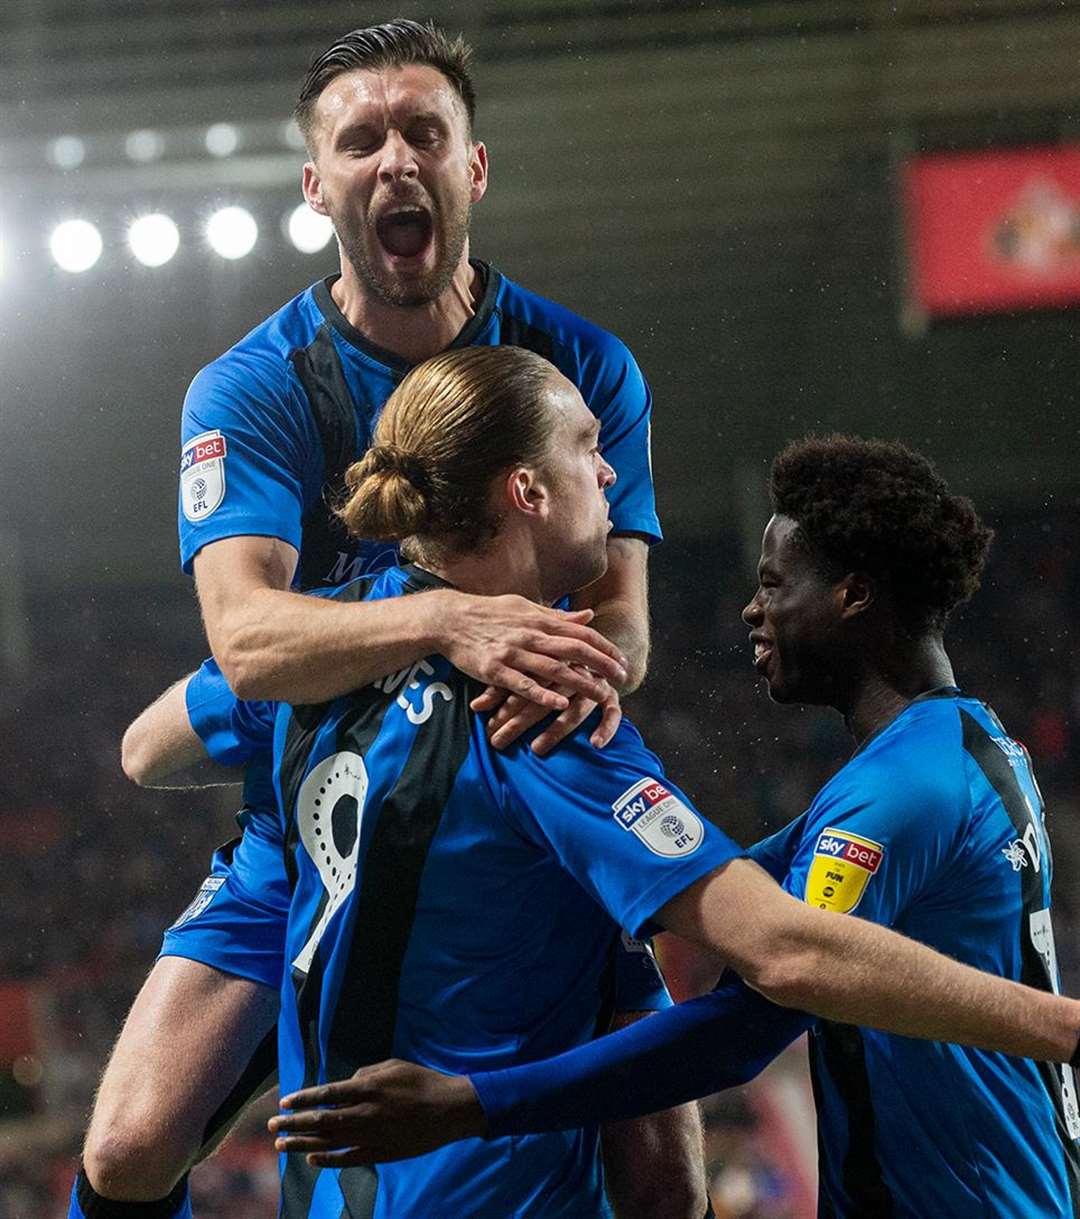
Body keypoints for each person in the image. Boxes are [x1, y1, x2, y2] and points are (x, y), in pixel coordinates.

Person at [70, 18, 696, 1219]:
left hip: (524, 797)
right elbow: (245, 642)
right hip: (312, 825)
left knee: (666, 1174)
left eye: (426, 132)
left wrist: (498, 705)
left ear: (474, 169)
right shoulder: (251, 388)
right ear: (318, 186)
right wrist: (445, 625)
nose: (395, 159)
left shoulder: (584, 368)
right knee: (128, 1149)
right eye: (362, 139)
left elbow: (623, 631)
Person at [268, 434, 1080, 1218]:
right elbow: (744, 885)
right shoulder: (971, 744)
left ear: (854, 595)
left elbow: (748, 1018)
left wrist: (476, 1103)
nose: (752, 608)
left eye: (774, 583)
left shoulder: (898, 789)